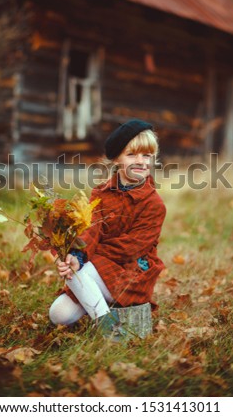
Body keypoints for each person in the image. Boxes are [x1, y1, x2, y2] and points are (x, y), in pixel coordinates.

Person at [49, 119, 166, 330]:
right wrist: (76, 256)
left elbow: (129, 248)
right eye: (132, 154)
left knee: (78, 274)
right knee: (58, 314)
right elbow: (91, 229)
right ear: (116, 159)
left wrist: (85, 260)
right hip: (95, 267)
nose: (141, 161)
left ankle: (109, 329)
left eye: (146, 155)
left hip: (130, 273)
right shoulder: (100, 193)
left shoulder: (154, 204)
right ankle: (104, 308)